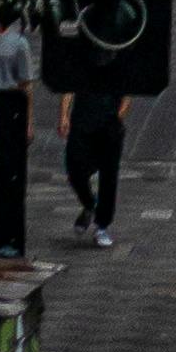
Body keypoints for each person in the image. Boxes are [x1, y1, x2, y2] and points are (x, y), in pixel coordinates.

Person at [60, 65, 131, 247]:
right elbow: (69, 86)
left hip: (109, 125)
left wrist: (117, 117)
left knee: (109, 176)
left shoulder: (120, 59)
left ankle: (102, 226)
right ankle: (90, 203)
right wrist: (64, 116)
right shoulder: (84, 59)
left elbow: (127, 93)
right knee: (74, 167)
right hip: (82, 123)